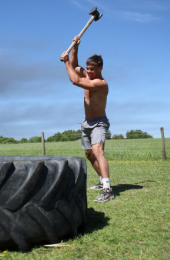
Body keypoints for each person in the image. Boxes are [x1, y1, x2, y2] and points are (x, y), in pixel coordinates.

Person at [61, 35, 114, 202]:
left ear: (100, 69)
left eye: (92, 69)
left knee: (98, 151)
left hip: (99, 122)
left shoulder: (100, 83)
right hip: (86, 122)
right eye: (88, 68)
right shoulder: (88, 76)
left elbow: (75, 80)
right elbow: (76, 67)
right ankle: (101, 181)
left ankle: (107, 190)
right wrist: (75, 47)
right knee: (89, 154)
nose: (89, 71)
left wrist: (66, 62)